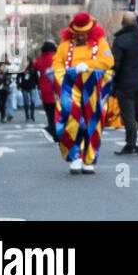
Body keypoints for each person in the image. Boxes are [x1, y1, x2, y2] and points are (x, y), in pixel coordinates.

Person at [52, 12, 114, 174]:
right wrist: (66, 74)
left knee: (93, 121)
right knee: (71, 118)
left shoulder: (100, 44)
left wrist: (87, 66)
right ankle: (75, 156)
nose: (80, 37)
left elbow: (108, 61)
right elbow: (57, 66)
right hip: (70, 87)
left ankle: (90, 159)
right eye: (77, 34)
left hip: (93, 86)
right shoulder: (65, 46)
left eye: (84, 34)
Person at [112, 13, 138, 156]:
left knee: (128, 114)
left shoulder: (119, 41)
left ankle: (130, 143)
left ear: (122, 24)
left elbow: (116, 64)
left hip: (125, 81)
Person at [32, 40, 58, 136]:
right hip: (56, 88)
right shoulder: (56, 58)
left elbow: (33, 69)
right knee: (57, 111)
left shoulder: (39, 60)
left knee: (49, 111)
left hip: (44, 89)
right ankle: (56, 129)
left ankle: (51, 127)